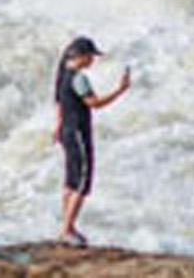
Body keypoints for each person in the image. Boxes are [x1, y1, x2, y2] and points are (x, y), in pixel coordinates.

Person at [50, 34, 131, 247]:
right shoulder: (79, 78)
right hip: (78, 132)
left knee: (70, 180)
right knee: (82, 182)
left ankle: (66, 226)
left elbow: (59, 103)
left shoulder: (62, 74)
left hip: (67, 131)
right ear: (82, 56)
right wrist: (120, 90)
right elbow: (94, 103)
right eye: (91, 56)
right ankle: (67, 229)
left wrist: (57, 126)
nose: (93, 60)